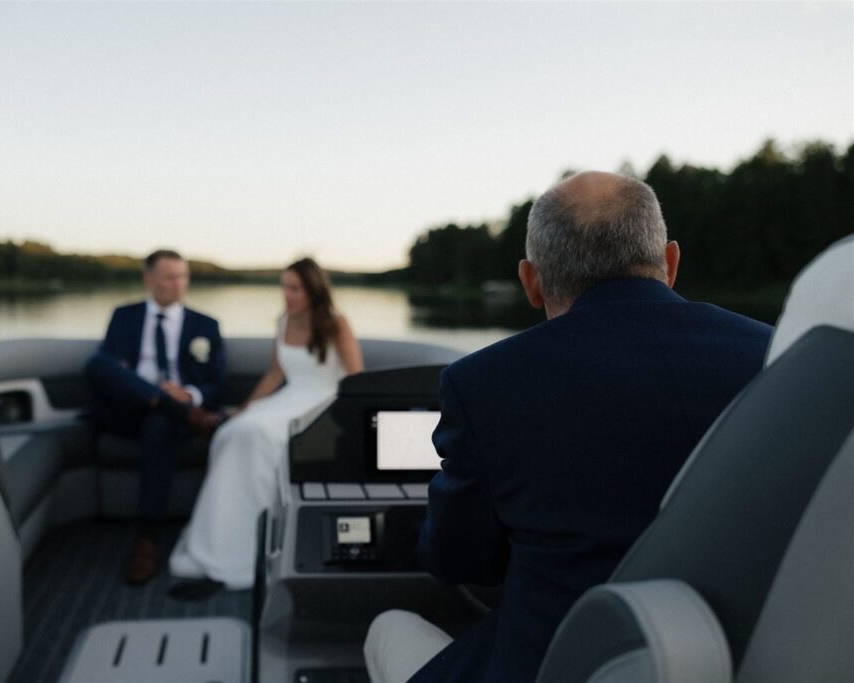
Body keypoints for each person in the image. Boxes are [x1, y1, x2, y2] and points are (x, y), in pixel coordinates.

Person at [364, 172, 772, 683]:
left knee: (388, 629)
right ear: (670, 263)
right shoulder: (776, 355)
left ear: (531, 282)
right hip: (732, 662)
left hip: (551, 666)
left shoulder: (484, 384)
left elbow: (459, 560)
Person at [168, 257, 363, 598]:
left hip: (323, 403)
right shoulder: (284, 321)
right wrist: (245, 408)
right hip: (288, 397)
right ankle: (218, 540)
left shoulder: (336, 324)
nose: (286, 295)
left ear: (313, 290)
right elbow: (275, 374)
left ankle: (247, 553)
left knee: (254, 435)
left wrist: (342, 421)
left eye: (294, 288)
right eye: (284, 287)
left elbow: (354, 379)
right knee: (231, 431)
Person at [84, 249, 227, 585]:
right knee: (96, 363)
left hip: (168, 420)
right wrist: (158, 395)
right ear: (149, 280)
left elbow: (218, 381)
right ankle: (172, 407)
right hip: (127, 410)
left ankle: (147, 540)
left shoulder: (205, 325)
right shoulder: (124, 316)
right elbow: (111, 369)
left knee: (159, 423)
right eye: (169, 277)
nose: (178, 284)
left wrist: (189, 395)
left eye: (183, 277)